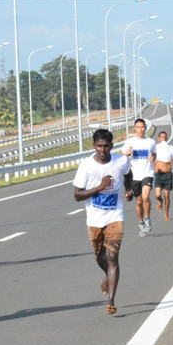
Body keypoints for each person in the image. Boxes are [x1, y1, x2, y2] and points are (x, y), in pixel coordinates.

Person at [72, 128, 134, 315]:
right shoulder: (86, 166)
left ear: (112, 146)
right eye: (99, 146)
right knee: (100, 257)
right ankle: (108, 275)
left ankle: (111, 301)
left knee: (112, 257)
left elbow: (128, 174)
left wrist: (128, 189)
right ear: (94, 146)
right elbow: (77, 195)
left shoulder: (121, 161)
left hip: (115, 216)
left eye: (107, 146)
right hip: (94, 218)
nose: (103, 150)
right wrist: (99, 187)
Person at [122, 118, 157, 237]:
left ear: (145, 128)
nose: (140, 129)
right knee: (139, 201)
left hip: (147, 173)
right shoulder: (130, 142)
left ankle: (147, 219)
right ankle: (141, 222)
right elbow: (124, 154)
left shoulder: (151, 142)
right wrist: (127, 153)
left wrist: (153, 158)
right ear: (135, 129)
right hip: (134, 175)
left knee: (146, 196)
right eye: (138, 127)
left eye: (142, 127)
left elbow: (154, 153)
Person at [152, 129, 173, 222]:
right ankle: (160, 201)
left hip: (168, 174)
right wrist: (154, 166)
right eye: (162, 137)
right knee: (157, 195)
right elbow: (150, 159)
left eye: (165, 137)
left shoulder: (171, 148)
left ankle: (166, 214)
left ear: (167, 138)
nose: (163, 139)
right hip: (159, 174)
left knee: (167, 195)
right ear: (159, 138)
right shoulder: (155, 148)